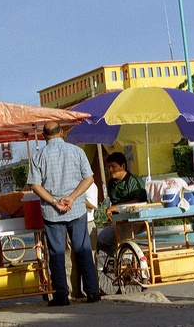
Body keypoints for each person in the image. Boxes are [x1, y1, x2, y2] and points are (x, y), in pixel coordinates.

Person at [27, 121, 100, 306]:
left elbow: (35, 185)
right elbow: (89, 178)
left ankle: (61, 295)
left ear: (44, 136)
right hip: (75, 208)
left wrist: (53, 201)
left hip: (52, 211)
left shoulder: (38, 156)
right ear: (61, 132)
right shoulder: (76, 151)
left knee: (57, 253)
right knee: (83, 250)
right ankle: (92, 291)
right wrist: (73, 198)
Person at [97, 152, 148, 257]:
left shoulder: (134, 181)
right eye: (109, 167)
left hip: (135, 221)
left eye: (113, 167)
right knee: (100, 240)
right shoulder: (111, 183)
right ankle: (118, 258)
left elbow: (139, 202)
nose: (110, 170)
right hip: (118, 222)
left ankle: (127, 260)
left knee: (124, 236)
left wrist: (117, 208)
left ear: (123, 166)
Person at [65, 182, 98, 299]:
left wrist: (73, 198)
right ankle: (72, 292)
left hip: (87, 222)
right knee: (69, 259)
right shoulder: (69, 183)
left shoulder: (90, 185)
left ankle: (91, 290)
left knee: (88, 258)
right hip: (69, 222)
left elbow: (92, 204)